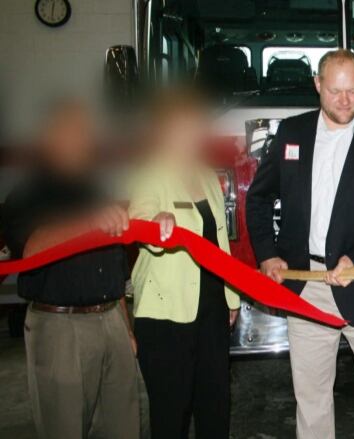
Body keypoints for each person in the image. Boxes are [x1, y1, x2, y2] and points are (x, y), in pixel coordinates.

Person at [246, 49, 354, 439]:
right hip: (304, 286)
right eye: (335, 91)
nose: (345, 100)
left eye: (353, 91)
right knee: (311, 397)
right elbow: (257, 199)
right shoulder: (292, 133)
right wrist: (268, 253)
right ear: (318, 86)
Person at [0, 99, 139, 439]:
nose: (84, 138)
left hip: (110, 320)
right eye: (73, 130)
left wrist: (126, 328)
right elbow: (31, 245)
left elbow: (114, 267)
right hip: (60, 327)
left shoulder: (96, 190)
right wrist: (90, 222)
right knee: (64, 428)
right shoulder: (29, 193)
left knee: (126, 425)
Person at [128, 89, 241, 439]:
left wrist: (232, 298)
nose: (190, 134)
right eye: (181, 127)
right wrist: (157, 224)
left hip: (211, 308)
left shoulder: (208, 176)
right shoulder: (149, 173)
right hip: (165, 315)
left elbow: (220, 241)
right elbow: (139, 222)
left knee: (215, 404)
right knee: (170, 412)